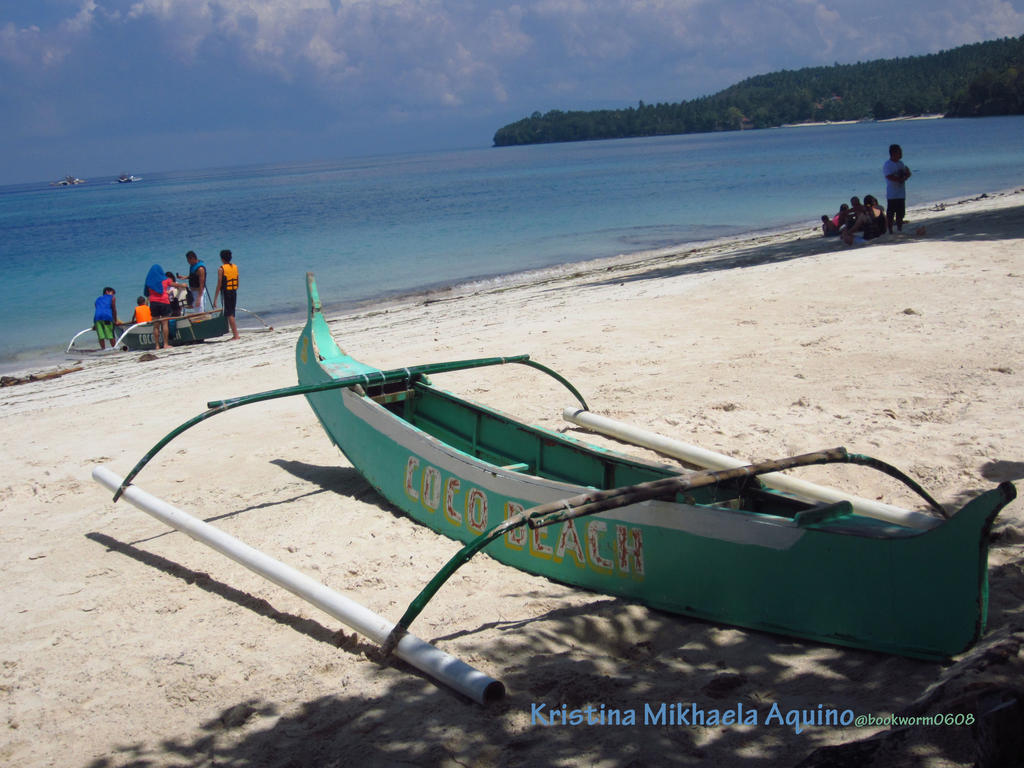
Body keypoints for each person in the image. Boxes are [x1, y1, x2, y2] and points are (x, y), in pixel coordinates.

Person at [213, 249, 241, 340]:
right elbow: (238, 281)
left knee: (229, 314)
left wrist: (215, 299)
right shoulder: (235, 267)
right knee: (232, 312)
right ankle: (235, 333)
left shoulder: (221, 269)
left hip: (226, 292)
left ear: (222, 258)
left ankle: (235, 335)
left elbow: (219, 284)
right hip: (234, 291)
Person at [884, 144, 911, 233]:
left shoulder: (901, 163)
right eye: (899, 152)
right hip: (892, 194)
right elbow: (889, 177)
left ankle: (899, 229)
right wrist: (901, 179)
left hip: (901, 193)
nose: (901, 154)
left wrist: (907, 174)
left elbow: (906, 174)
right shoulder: (888, 164)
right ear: (894, 153)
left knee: (901, 213)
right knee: (891, 213)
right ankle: (890, 230)